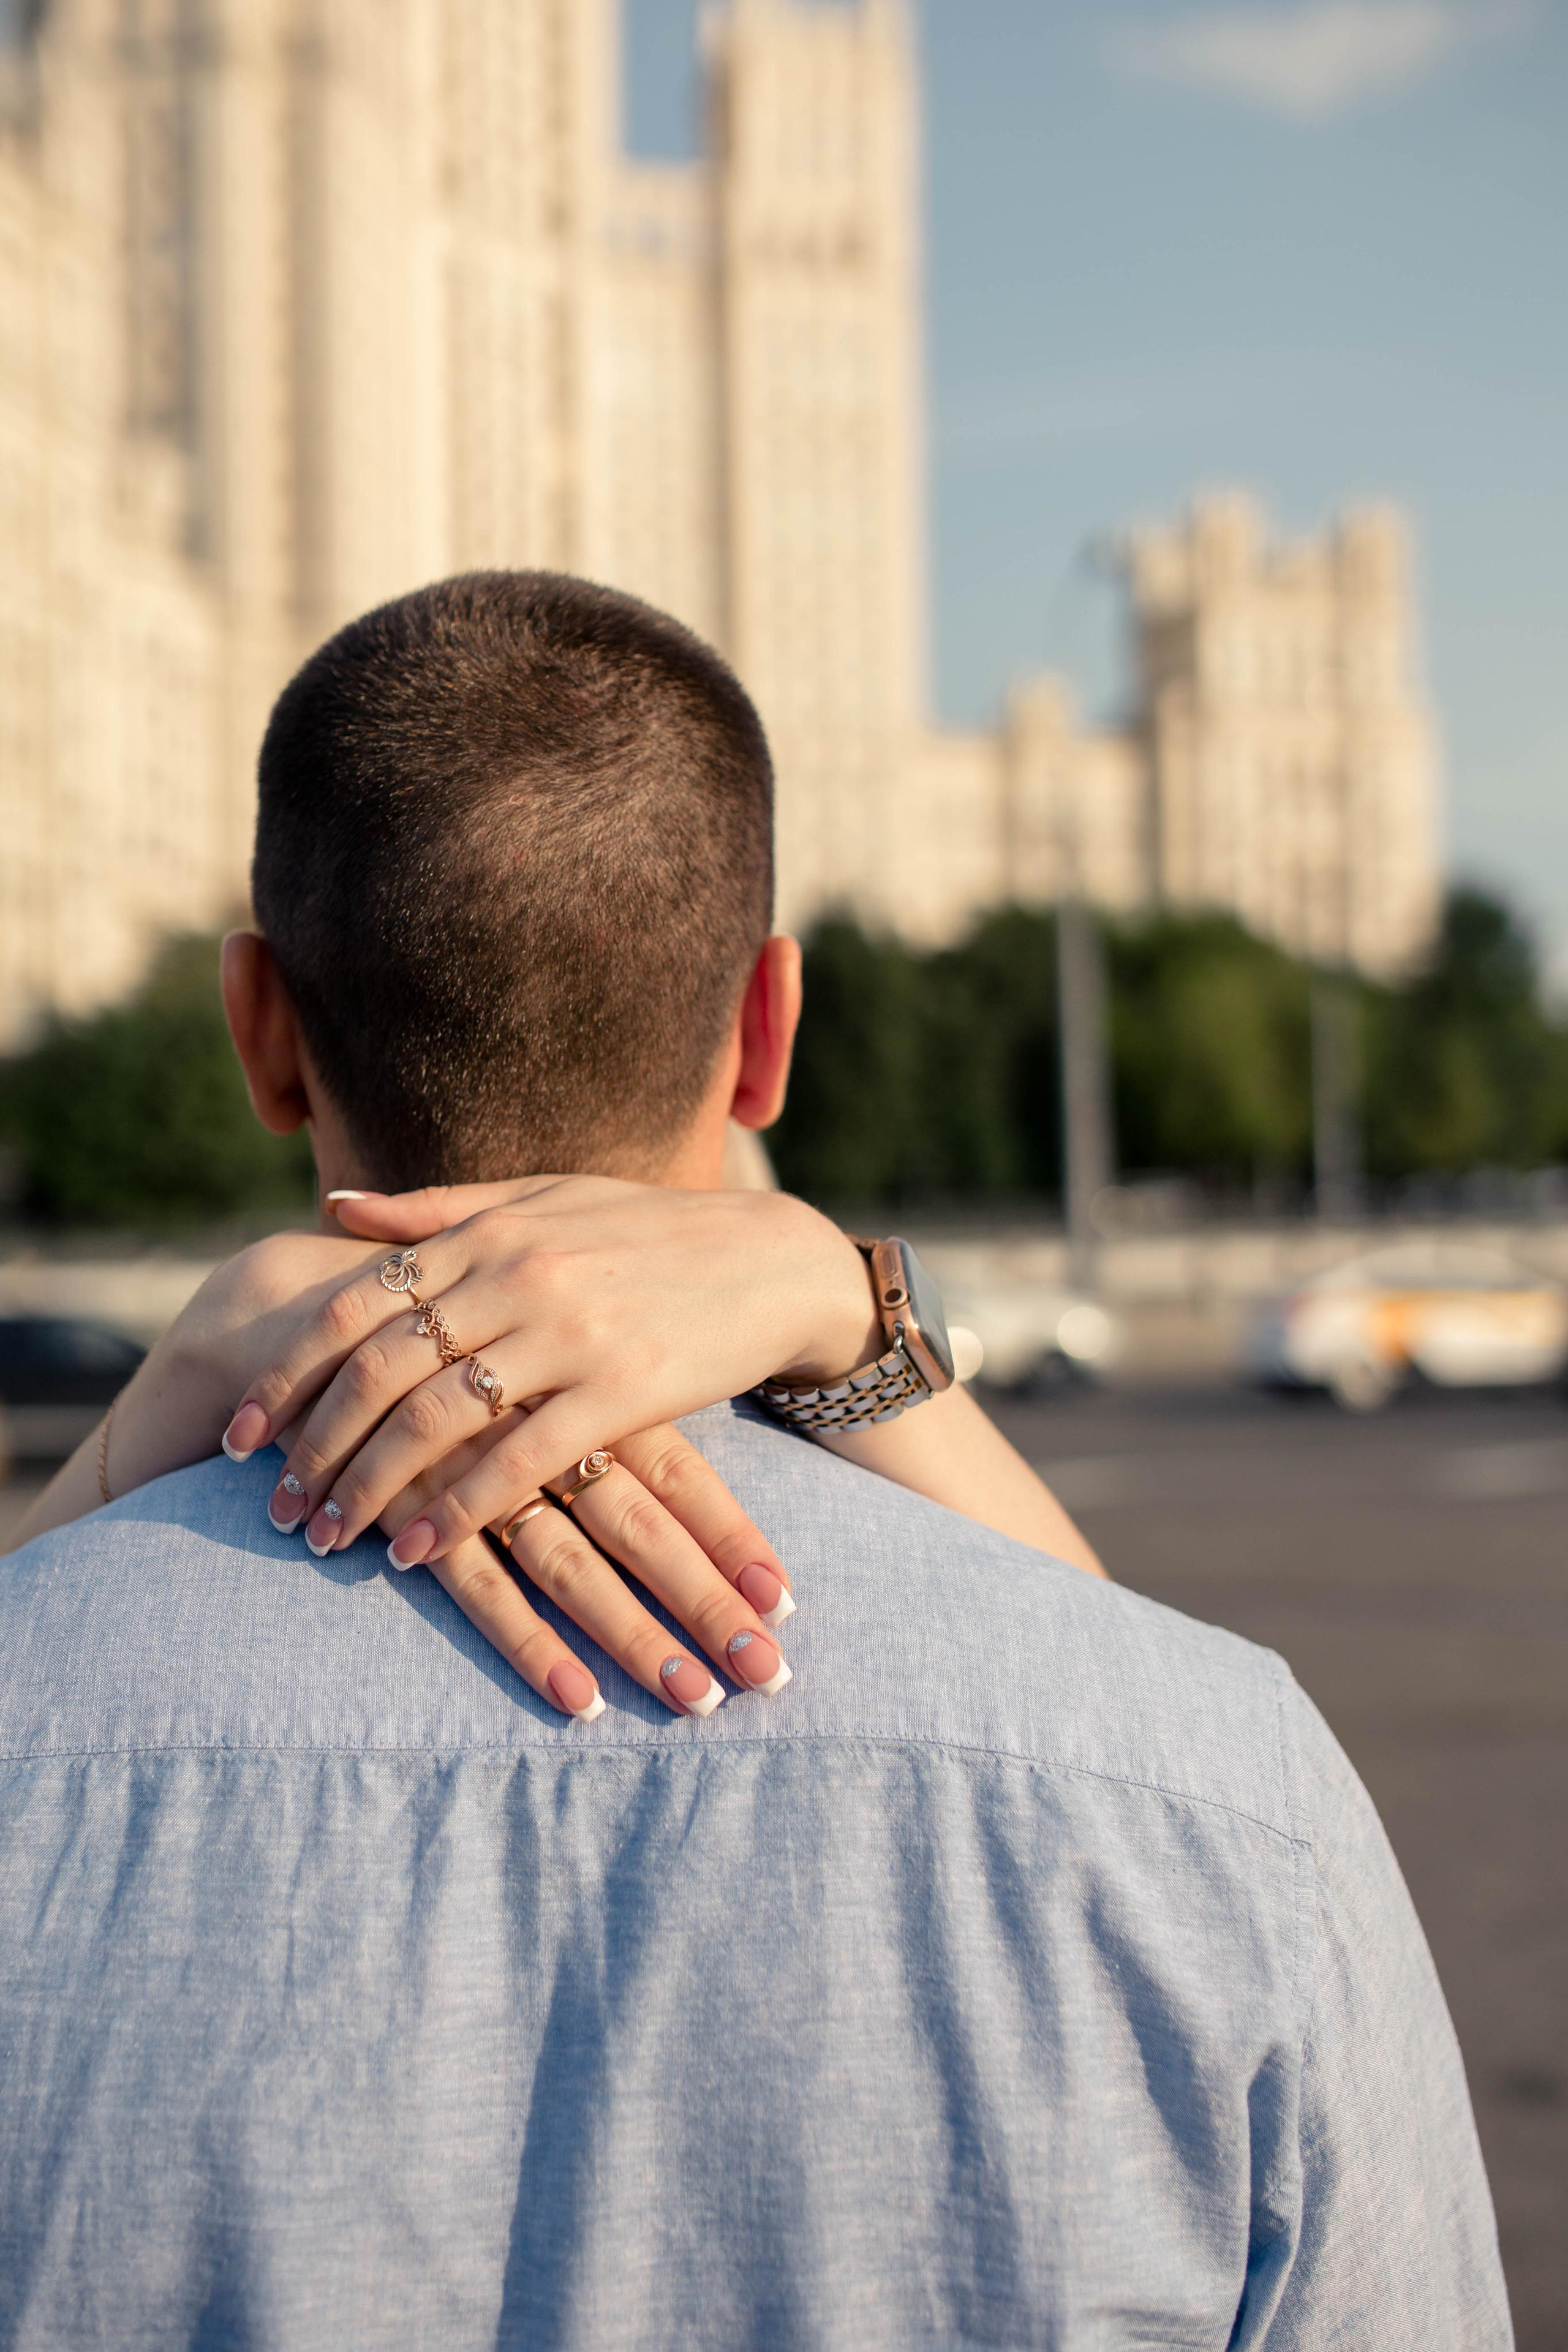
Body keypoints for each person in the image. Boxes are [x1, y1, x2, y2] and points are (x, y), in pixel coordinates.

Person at [0, 574, 1509, 2347]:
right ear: (772, 1024)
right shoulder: (1222, 1789)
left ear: (259, 1026)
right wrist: (853, 1313)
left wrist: (139, 1428)